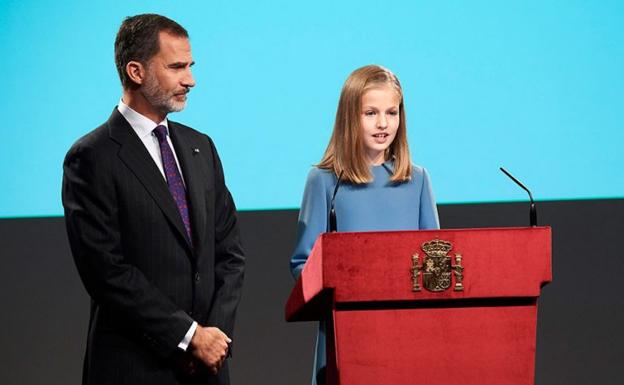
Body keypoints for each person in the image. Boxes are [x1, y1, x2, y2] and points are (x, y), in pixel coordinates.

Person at [62, 14, 245, 385]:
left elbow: (229, 254)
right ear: (136, 71)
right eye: (177, 67)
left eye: (190, 66)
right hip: (134, 368)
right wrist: (189, 337)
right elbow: (106, 273)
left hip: (207, 370)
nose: (190, 80)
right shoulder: (92, 157)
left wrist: (213, 340)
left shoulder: (201, 147)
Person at [290, 64, 440, 385]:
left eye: (392, 112)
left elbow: (434, 263)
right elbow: (303, 263)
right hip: (348, 335)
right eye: (370, 113)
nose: (383, 123)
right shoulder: (325, 180)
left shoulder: (418, 179)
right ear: (349, 117)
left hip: (408, 335)